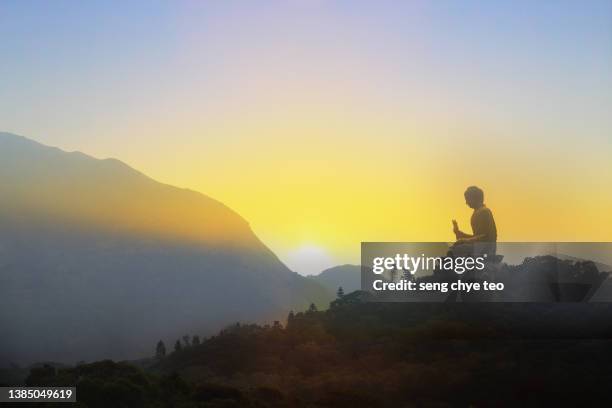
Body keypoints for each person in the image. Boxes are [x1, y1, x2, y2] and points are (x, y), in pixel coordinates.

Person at [452, 186, 497, 257]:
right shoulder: (477, 212)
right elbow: (477, 237)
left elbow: (484, 237)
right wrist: (459, 233)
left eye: (468, 199)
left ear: (475, 198)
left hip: (486, 249)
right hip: (480, 247)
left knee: (458, 249)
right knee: (456, 247)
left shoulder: (483, 212)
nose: (466, 202)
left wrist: (465, 240)